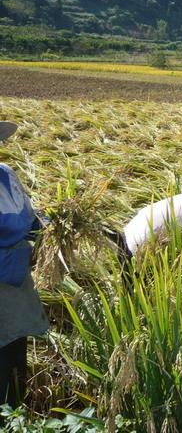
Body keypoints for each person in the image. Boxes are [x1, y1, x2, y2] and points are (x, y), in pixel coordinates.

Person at [0, 121, 49, 408]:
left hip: (15, 285)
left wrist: (49, 225)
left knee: (14, 351)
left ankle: (15, 413)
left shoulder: (6, 175)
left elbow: (29, 217)